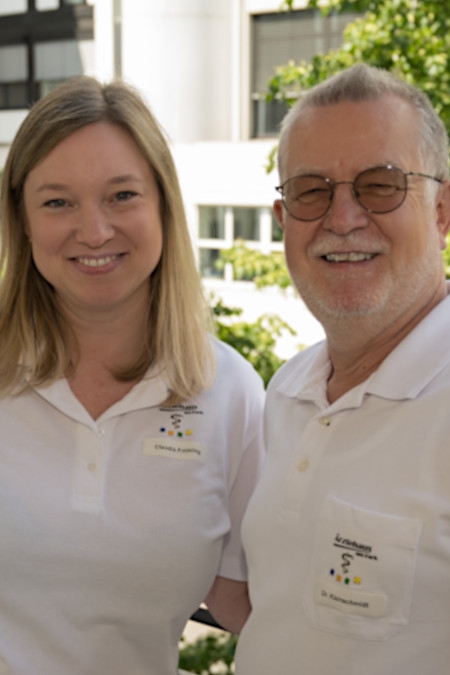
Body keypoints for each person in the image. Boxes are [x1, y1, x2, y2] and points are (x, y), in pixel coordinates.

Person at [0, 76, 264, 675]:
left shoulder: (231, 394)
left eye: (121, 196)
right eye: (57, 201)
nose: (94, 231)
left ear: (164, 206)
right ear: (22, 221)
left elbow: (248, 601)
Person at [234, 63, 450, 674]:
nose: (343, 217)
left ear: (441, 209)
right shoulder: (287, 392)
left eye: (380, 184)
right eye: (310, 190)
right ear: (283, 221)